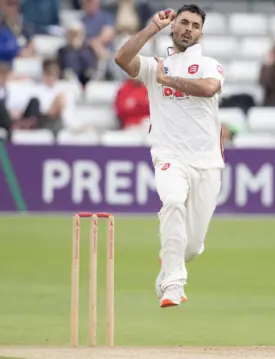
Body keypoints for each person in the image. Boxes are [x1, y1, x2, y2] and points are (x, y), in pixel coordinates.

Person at [114, 5, 225, 308]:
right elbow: (121, 59)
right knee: (173, 201)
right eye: (184, 23)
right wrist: (152, 28)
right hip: (169, 155)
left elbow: (209, 88)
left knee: (192, 246)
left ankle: (169, 264)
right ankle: (174, 285)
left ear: (201, 32)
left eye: (196, 25)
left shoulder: (208, 64)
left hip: (207, 162)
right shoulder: (154, 65)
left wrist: (169, 81)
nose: (189, 28)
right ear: (173, 26)